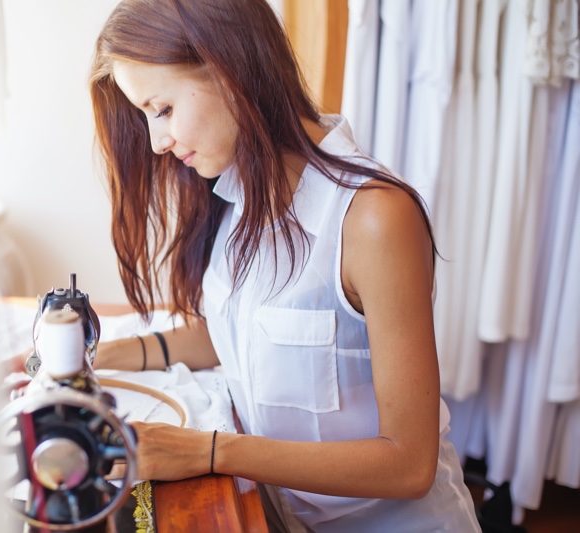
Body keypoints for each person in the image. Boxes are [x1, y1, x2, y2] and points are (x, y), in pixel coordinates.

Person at [88, 0, 481, 531]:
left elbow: (409, 464)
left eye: (162, 110)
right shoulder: (237, 192)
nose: (158, 142)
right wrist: (107, 355)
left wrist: (211, 452)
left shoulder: (372, 219)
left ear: (228, 68)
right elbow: (245, 332)